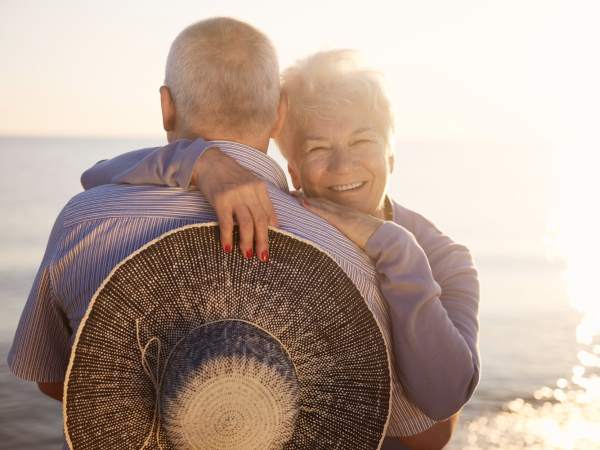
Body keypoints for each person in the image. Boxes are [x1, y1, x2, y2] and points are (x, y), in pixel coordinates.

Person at [8, 18, 455, 450]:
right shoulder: (349, 262)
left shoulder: (84, 220)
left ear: (166, 106)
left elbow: (52, 378)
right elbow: (418, 432)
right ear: (280, 114)